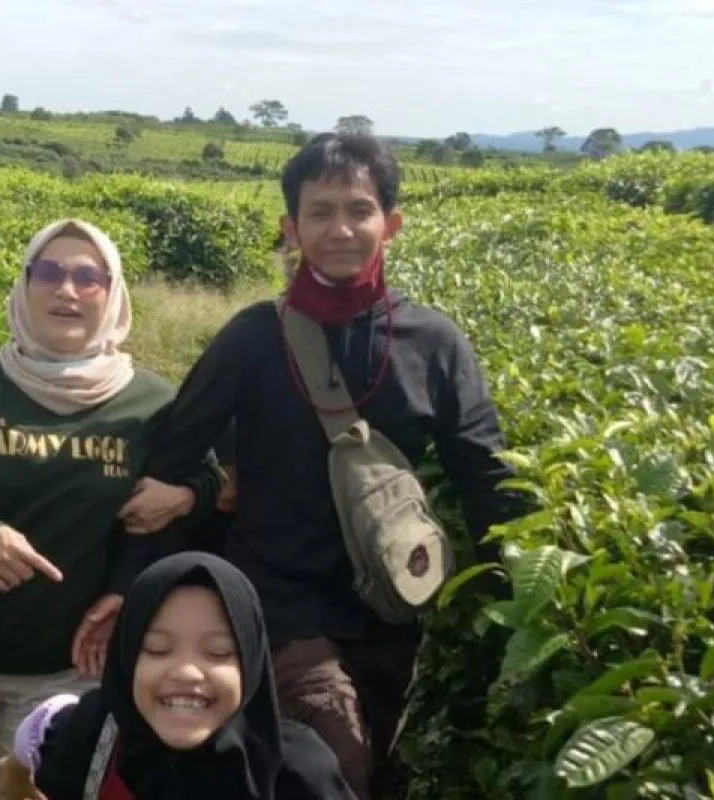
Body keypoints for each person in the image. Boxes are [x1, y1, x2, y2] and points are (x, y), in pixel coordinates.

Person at [80, 133, 530, 798]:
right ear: (290, 229)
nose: (340, 229)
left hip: (389, 607)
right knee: (330, 761)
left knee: (369, 768)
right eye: (320, 212)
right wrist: (130, 584)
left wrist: (526, 598)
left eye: (359, 210)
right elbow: (171, 460)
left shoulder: (434, 343)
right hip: (279, 601)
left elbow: (484, 474)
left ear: (391, 224)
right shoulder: (253, 337)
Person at [0, 218, 223, 800]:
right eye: (48, 272)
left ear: (112, 293)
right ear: (24, 285)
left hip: (76, 664)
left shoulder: (150, 403)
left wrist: (184, 497)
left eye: (88, 277)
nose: (66, 290)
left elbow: (211, 480)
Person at [0, 551, 360, 800]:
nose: (186, 672)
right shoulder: (85, 738)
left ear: (251, 665)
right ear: (127, 658)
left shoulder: (295, 776)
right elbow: (25, 751)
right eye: (157, 649)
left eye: (218, 652)